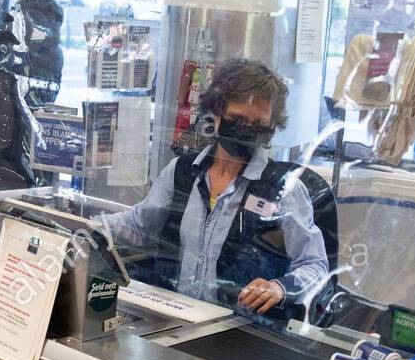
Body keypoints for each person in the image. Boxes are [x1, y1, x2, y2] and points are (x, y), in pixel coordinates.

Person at [106, 58, 330, 321]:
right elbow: (138, 226)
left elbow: (315, 265)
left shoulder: (284, 189)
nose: (246, 131)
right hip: (175, 320)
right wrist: (85, 230)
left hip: (241, 332)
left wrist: (279, 288)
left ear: (271, 128)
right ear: (216, 114)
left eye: (258, 124)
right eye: (237, 119)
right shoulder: (183, 172)